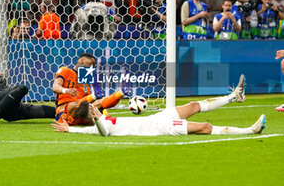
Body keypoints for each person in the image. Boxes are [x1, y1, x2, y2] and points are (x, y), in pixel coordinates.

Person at [52, 75, 266, 137]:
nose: (95, 108)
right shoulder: (98, 126)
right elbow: (104, 131)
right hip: (160, 128)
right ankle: (251, 130)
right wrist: (97, 119)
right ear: (91, 116)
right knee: (206, 127)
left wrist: (68, 128)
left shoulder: (97, 119)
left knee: (193, 105)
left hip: (156, 118)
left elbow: (88, 121)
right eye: (92, 110)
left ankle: (234, 96)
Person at [52, 53, 130, 126]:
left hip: (82, 115)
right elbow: (55, 87)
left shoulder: (85, 83)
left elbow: (89, 104)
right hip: (64, 113)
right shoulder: (66, 70)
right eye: (90, 64)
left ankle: (121, 92)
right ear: (82, 60)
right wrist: (66, 90)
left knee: (99, 101)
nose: (91, 67)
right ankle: (95, 96)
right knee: (76, 104)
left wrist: (102, 110)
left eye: (93, 66)